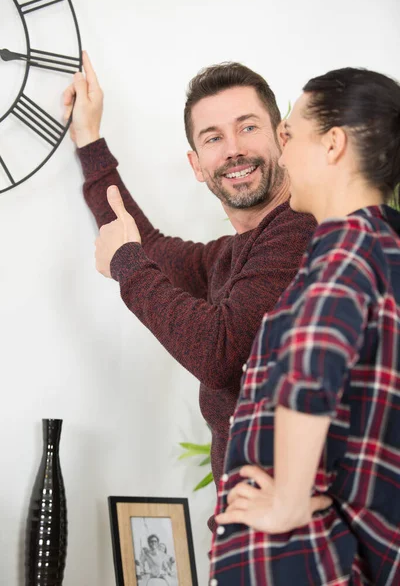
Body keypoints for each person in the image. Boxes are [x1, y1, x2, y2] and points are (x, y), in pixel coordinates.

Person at [64, 54, 316, 530]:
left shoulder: (300, 231)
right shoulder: (231, 256)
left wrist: (125, 264)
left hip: (294, 540)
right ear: (197, 165)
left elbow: (220, 352)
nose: (234, 150)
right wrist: (89, 138)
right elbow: (149, 245)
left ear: (281, 138)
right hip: (252, 535)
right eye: (214, 138)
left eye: (248, 128)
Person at [210, 67, 400, 585]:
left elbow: (311, 369)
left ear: (334, 144)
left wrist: (288, 504)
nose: (281, 151)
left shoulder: (344, 254)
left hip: (300, 558)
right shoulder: (385, 250)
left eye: (289, 133)